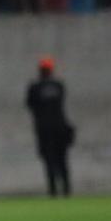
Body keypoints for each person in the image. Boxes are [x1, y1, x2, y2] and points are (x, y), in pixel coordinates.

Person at [26, 57, 74, 197]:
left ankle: (53, 191)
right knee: (62, 160)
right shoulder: (58, 85)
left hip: (44, 129)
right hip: (60, 127)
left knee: (49, 161)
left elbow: (30, 105)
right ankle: (66, 190)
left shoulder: (35, 87)